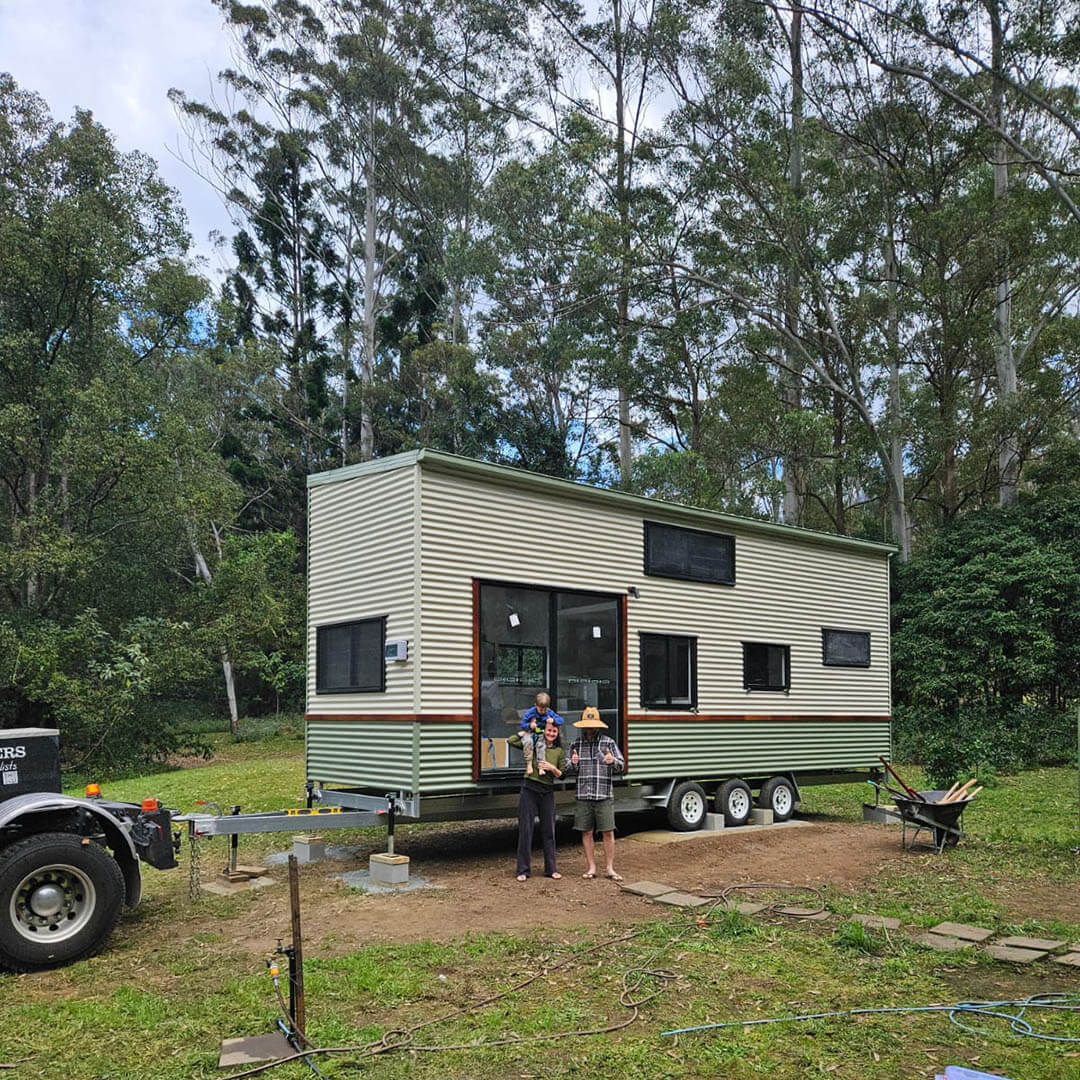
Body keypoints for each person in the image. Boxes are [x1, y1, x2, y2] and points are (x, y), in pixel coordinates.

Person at [565, 706, 625, 881]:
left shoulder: (608, 743)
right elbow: (567, 769)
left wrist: (612, 760)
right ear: (583, 726)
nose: (590, 728)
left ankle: (609, 868)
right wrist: (573, 763)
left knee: (608, 831)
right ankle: (591, 867)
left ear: (598, 725)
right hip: (583, 794)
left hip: (604, 793)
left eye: (592, 725)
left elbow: (622, 765)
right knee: (586, 832)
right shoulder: (576, 744)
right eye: (587, 725)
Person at [508, 717, 566, 882]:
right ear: (544, 730)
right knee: (526, 830)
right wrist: (527, 730)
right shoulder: (533, 743)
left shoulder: (558, 752)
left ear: (557, 733)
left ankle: (551, 869)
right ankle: (523, 870)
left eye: (554, 731)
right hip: (529, 789)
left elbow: (562, 775)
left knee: (549, 831)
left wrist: (552, 768)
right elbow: (511, 741)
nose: (551, 733)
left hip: (547, 792)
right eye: (549, 730)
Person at [518, 691, 564, 776]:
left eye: (545, 709)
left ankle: (541, 767)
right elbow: (522, 724)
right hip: (530, 732)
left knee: (541, 745)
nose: (543, 711)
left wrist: (553, 720)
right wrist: (529, 725)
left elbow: (561, 720)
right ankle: (529, 764)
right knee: (528, 742)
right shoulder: (530, 712)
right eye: (540, 709)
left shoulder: (549, 712)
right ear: (536, 705)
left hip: (540, 733)